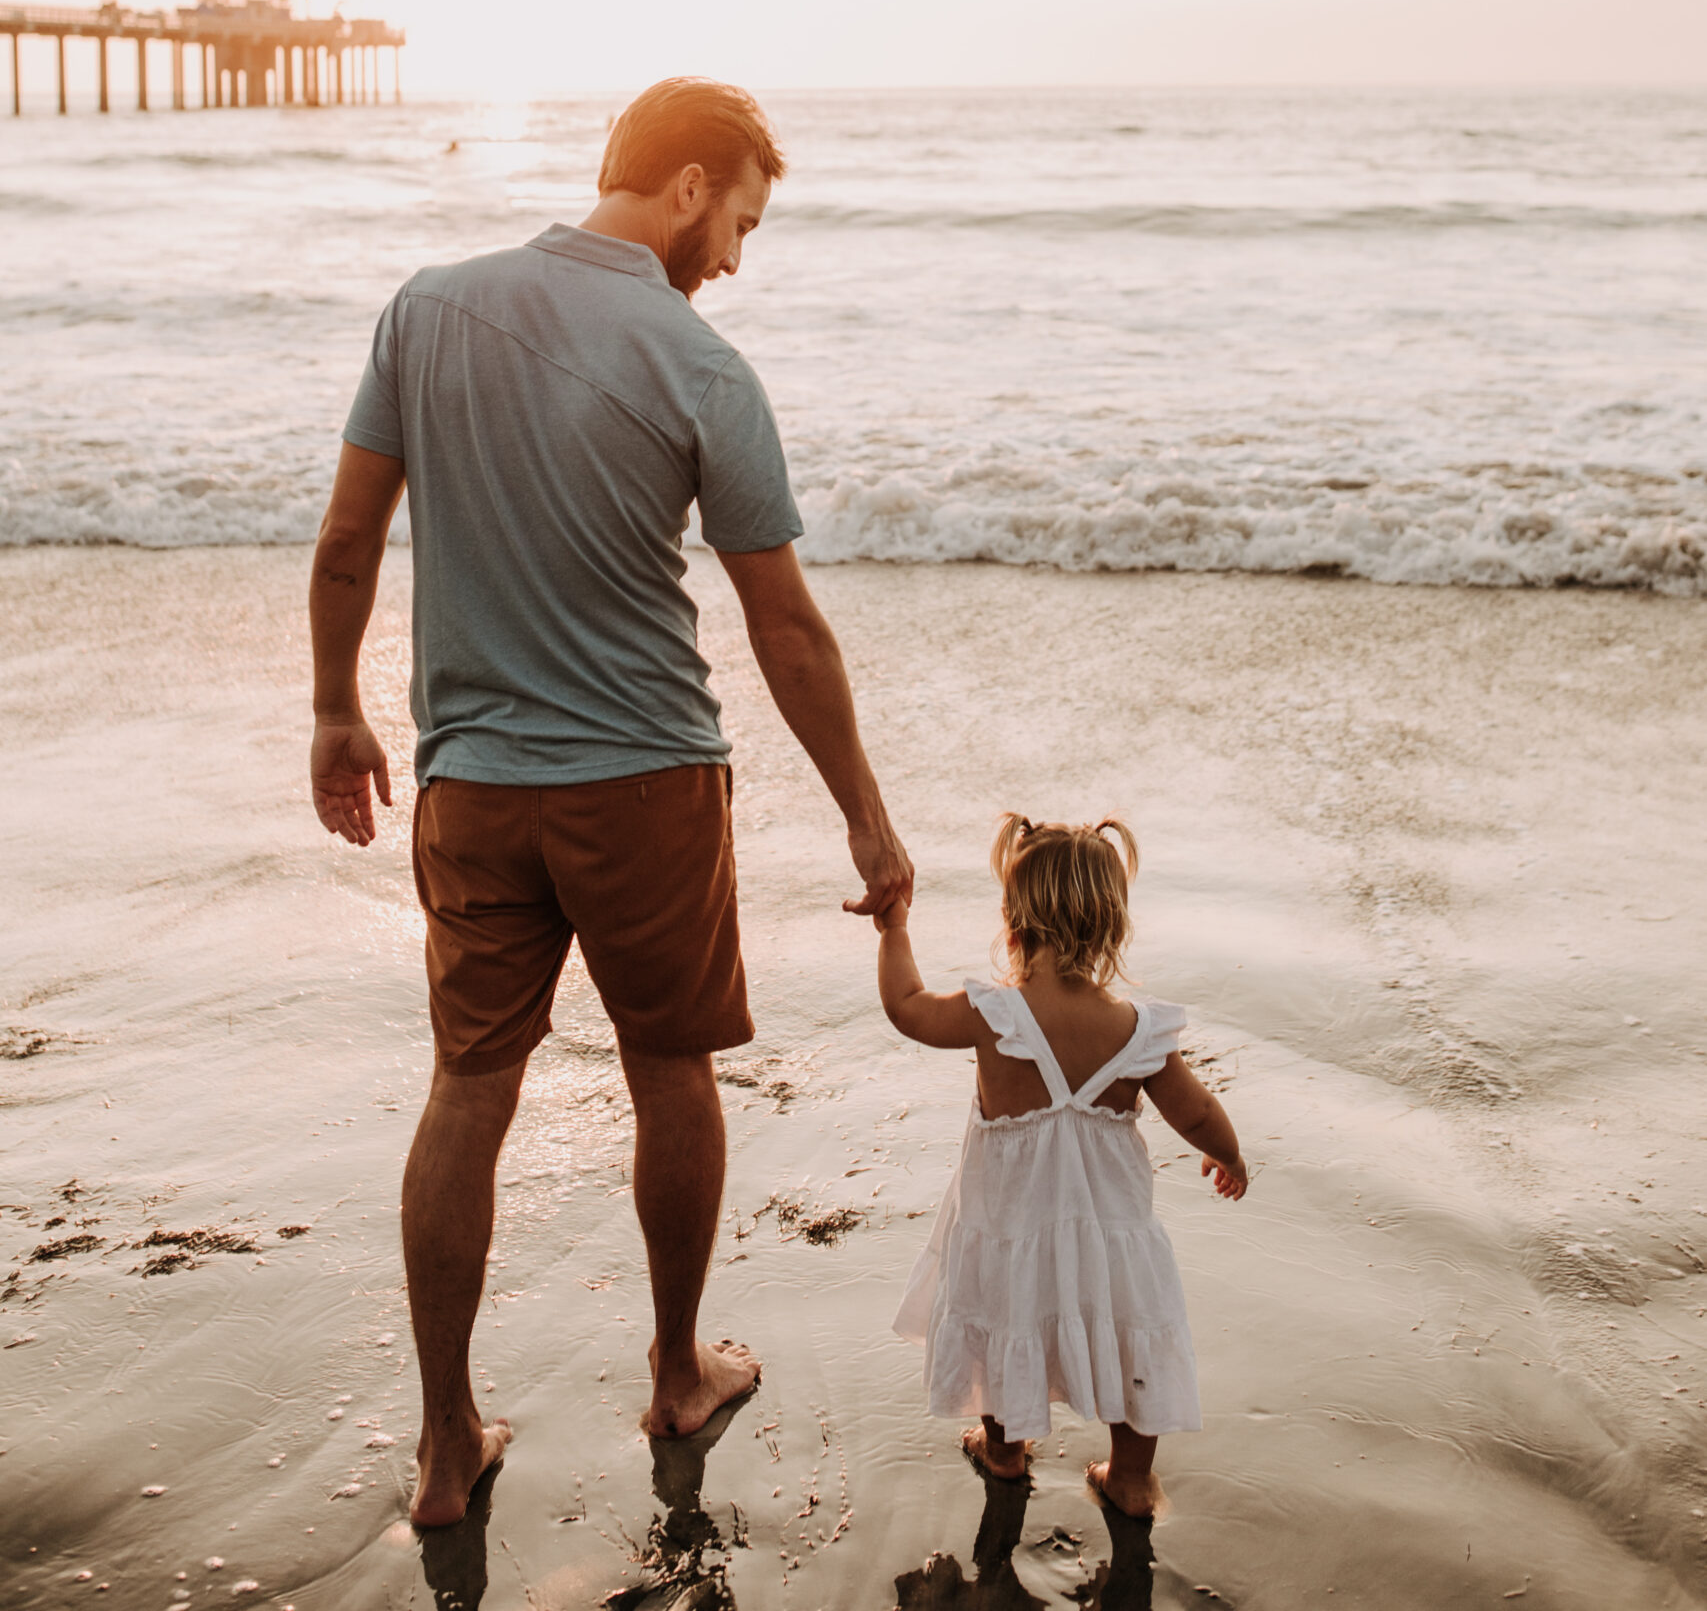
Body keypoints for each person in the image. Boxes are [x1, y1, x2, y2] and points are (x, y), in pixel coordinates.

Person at [306, 76, 913, 1527]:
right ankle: (672, 1371)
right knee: (671, 1068)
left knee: (466, 1091)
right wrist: (867, 822)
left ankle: (447, 1446)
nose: (737, 260)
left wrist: (335, 709)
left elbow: (345, 547)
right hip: (643, 781)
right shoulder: (699, 368)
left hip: (471, 785)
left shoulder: (427, 309)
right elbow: (787, 631)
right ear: (691, 183)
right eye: (743, 222)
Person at [877, 813, 1245, 1519]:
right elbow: (1195, 1111)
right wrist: (1227, 1156)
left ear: (1014, 920)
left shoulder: (995, 1015)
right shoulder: (1138, 1032)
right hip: (1110, 1241)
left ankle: (1005, 1452)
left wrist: (893, 929)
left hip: (1009, 1234)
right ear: (1111, 925)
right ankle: (1131, 1480)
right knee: (1131, 1336)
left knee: (1002, 1323)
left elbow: (907, 1008)